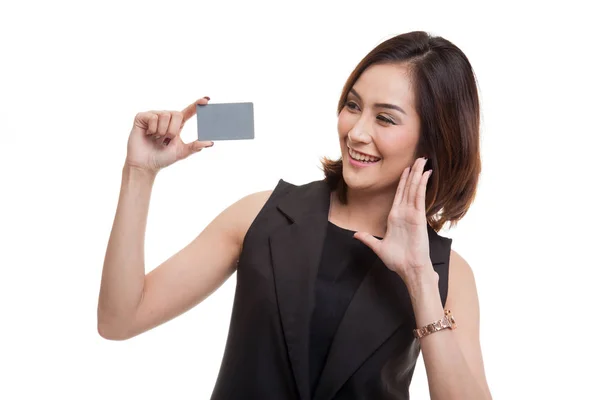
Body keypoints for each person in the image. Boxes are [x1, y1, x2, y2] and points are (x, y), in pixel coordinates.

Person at [97, 30, 493, 399]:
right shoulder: (261, 216)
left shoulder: (447, 273)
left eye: (385, 118)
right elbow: (119, 319)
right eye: (353, 105)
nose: (356, 132)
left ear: (435, 139)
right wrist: (139, 173)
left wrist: (421, 281)